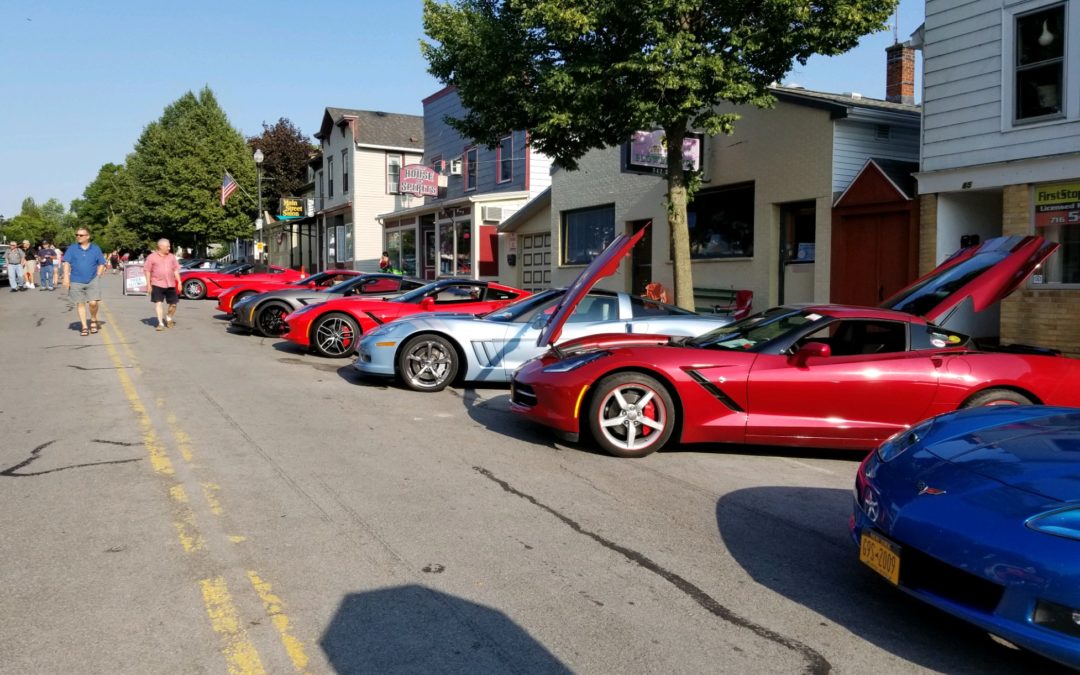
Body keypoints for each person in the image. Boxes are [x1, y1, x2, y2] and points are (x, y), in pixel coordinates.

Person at [62, 227, 107, 336]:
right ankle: (84, 326)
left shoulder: (95, 249)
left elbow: (102, 262)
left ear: (88, 236)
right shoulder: (72, 248)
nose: (78, 237)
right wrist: (66, 277)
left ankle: (93, 319)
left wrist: (99, 274)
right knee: (80, 303)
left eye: (81, 235)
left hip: (92, 279)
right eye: (77, 235)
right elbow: (67, 263)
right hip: (76, 280)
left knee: (93, 303)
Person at [143, 238, 182, 331]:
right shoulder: (151, 257)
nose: (169, 248)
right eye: (167, 246)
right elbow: (147, 270)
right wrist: (148, 284)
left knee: (173, 304)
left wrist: (179, 282)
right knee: (158, 303)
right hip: (157, 283)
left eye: (169, 246)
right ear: (160, 246)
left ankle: (168, 317)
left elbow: (176, 270)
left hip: (170, 283)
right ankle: (160, 323)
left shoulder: (172, 257)